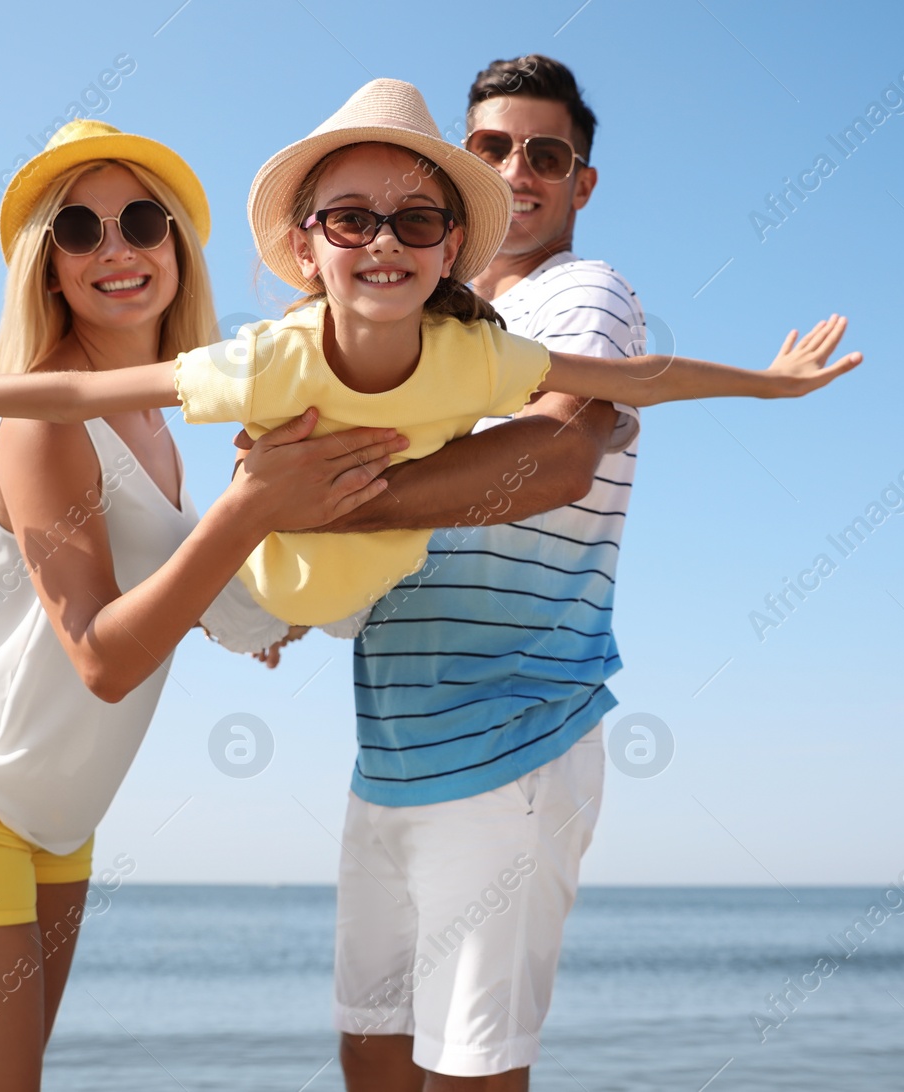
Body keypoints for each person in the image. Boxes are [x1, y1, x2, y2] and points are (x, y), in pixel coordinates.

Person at [0, 119, 403, 1092]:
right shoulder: (42, 415)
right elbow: (101, 659)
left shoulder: (158, 423)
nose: (116, 249)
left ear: (177, 252)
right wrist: (245, 513)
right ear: (47, 267)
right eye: (79, 231)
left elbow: (173, 588)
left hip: (62, 823)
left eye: (142, 222)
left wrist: (260, 608)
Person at [0, 80, 859, 636]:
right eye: (349, 221)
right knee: (170, 540)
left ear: (450, 253)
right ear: (305, 247)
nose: (383, 244)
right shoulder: (269, 362)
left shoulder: (480, 356)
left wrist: (772, 384)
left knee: (602, 418)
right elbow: (79, 387)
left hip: (356, 598)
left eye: (416, 224)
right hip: (257, 593)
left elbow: (639, 380)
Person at [326, 56, 690, 1091]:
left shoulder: (586, 295)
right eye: (490, 147)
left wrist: (336, 498)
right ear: (460, 168)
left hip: (513, 739)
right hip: (389, 747)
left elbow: (555, 454)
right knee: (371, 1054)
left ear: (581, 182)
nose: (518, 169)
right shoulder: (430, 317)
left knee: (470, 1075)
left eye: (547, 153)